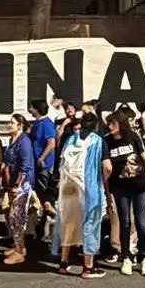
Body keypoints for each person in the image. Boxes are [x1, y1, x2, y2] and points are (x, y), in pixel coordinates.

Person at [54, 112, 109, 279]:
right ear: (96, 126)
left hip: (67, 188)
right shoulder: (98, 141)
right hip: (88, 188)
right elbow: (107, 167)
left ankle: (63, 263)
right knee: (90, 224)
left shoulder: (70, 139)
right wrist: (104, 183)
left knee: (68, 222)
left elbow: (61, 162)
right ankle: (88, 267)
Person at [104, 111, 145, 276]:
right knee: (124, 222)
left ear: (121, 123)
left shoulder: (133, 136)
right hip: (119, 187)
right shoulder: (107, 141)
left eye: (113, 123)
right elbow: (105, 168)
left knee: (141, 222)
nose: (110, 127)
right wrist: (106, 192)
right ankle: (126, 256)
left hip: (139, 185)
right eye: (109, 124)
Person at [1, 113, 37, 265]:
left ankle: (19, 252)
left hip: (22, 185)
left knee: (18, 218)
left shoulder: (24, 142)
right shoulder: (12, 140)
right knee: (12, 215)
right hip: (12, 183)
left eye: (12, 123)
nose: (10, 125)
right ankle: (18, 247)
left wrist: (18, 186)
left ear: (20, 125)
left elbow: (26, 166)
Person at [28, 100, 59, 218]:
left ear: (36, 109)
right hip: (36, 164)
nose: (30, 110)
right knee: (38, 194)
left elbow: (51, 143)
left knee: (43, 192)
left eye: (31, 107)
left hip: (44, 165)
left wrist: (42, 158)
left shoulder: (46, 124)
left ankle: (51, 217)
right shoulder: (37, 124)